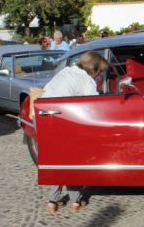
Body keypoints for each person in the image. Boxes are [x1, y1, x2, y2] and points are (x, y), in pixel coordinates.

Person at [42, 51, 110, 213]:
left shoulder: (65, 72)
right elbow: (94, 106)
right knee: (72, 162)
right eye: (99, 71)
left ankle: (53, 201)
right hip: (66, 121)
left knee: (57, 162)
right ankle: (76, 201)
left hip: (46, 119)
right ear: (94, 69)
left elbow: (47, 90)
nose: (99, 75)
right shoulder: (87, 80)